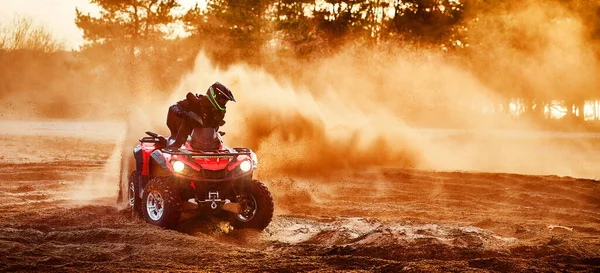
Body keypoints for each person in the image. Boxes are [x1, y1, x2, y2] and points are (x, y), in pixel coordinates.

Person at [166, 81, 236, 149]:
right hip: (184, 142)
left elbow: (209, 130)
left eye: (225, 102)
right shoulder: (194, 102)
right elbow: (173, 107)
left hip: (207, 146)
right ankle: (176, 146)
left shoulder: (217, 112)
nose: (223, 104)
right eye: (222, 101)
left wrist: (216, 134)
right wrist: (180, 112)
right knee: (190, 117)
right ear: (214, 96)